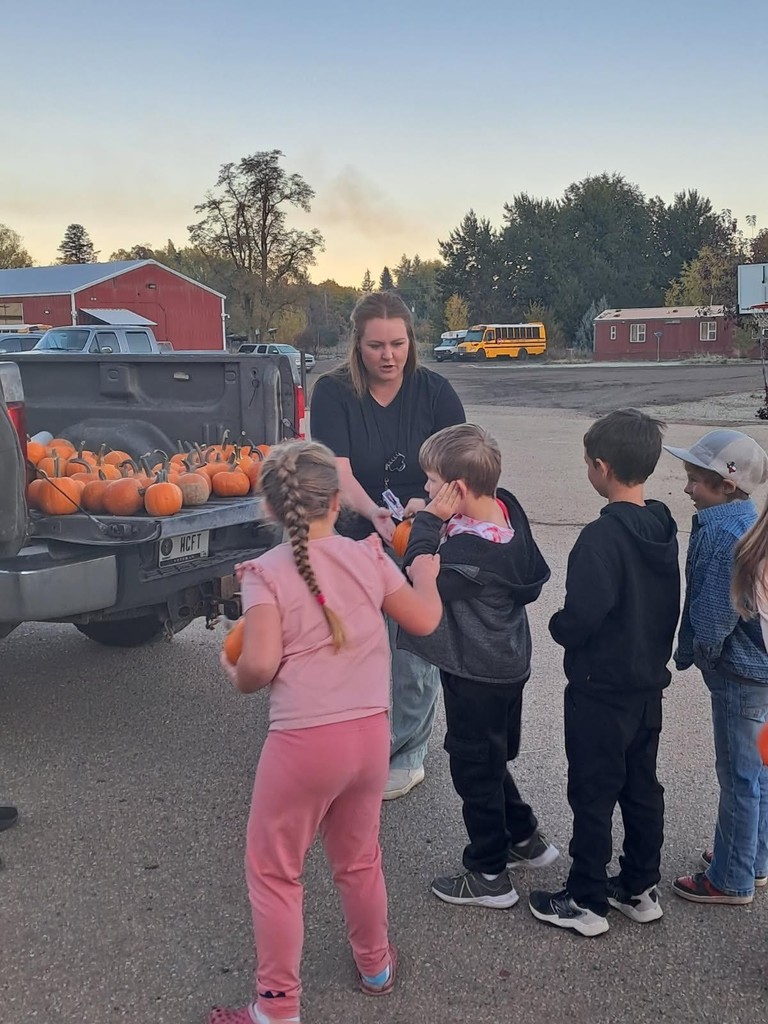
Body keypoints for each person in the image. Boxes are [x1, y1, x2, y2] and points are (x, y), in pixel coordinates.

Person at [208, 441, 442, 1024]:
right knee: (360, 859)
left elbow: (259, 665)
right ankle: (375, 966)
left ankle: (276, 1008)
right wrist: (426, 575)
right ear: (337, 502)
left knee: (275, 871)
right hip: (369, 740)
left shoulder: (266, 573)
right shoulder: (369, 556)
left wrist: (236, 673)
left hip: (303, 746)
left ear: (268, 509)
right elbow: (425, 620)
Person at [529, 410, 680, 936]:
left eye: (588, 464)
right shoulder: (663, 524)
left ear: (601, 466)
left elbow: (584, 615)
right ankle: (640, 886)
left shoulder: (600, 538)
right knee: (641, 787)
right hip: (647, 686)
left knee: (592, 793)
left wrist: (559, 627)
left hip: (600, 690)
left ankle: (587, 897)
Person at [310, 291, 465, 800]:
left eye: (397, 344)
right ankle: (356, 741)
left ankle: (407, 752)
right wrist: (370, 511)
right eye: (376, 345)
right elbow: (339, 469)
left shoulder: (436, 392)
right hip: (354, 533)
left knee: (414, 650)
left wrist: (425, 506)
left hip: (420, 534)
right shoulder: (333, 393)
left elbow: (459, 467)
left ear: (410, 342)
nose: (387, 356)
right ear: (357, 344)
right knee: (354, 645)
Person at [397, 423, 557, 908]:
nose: (425, 490)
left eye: (430, 483)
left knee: (472, 768)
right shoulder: (506, 509)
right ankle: (524, 837)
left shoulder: (466, 558)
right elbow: (462, 528)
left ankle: (489, 874)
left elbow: (420, 572)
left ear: (456, 490)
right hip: (506, 664)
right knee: (489, 758)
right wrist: (432, 516)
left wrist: (424, 526)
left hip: (476, 673)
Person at [665, 428, 768, 905]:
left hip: (740, 679)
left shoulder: (725, 533)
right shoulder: (748, 520)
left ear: (727, 485)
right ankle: (752, 856)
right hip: (760, 676)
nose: (687, 488)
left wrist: (695, 655)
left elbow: (712, 615)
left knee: (738, 776)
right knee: (759, 771)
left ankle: (730, 879)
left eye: (695, 480)